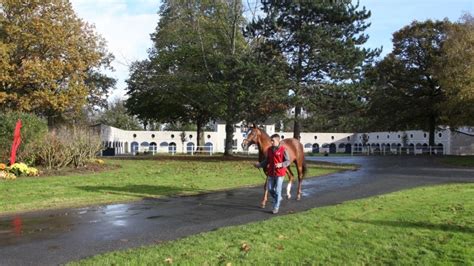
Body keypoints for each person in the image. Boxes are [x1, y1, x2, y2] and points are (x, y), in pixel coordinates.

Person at [254, 134, 291, 214]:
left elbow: (288, 161)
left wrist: (281, 164)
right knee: (270, 189)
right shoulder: (270, 150)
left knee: (277, 191)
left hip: (280, 173)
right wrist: (259, 165)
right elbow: (267, 160)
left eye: (273, 141)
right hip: (271, 173)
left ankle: (276, 207)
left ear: (278, 141)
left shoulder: (283, 149)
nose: (271, 142)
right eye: (271, 140)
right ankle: (278, 198)